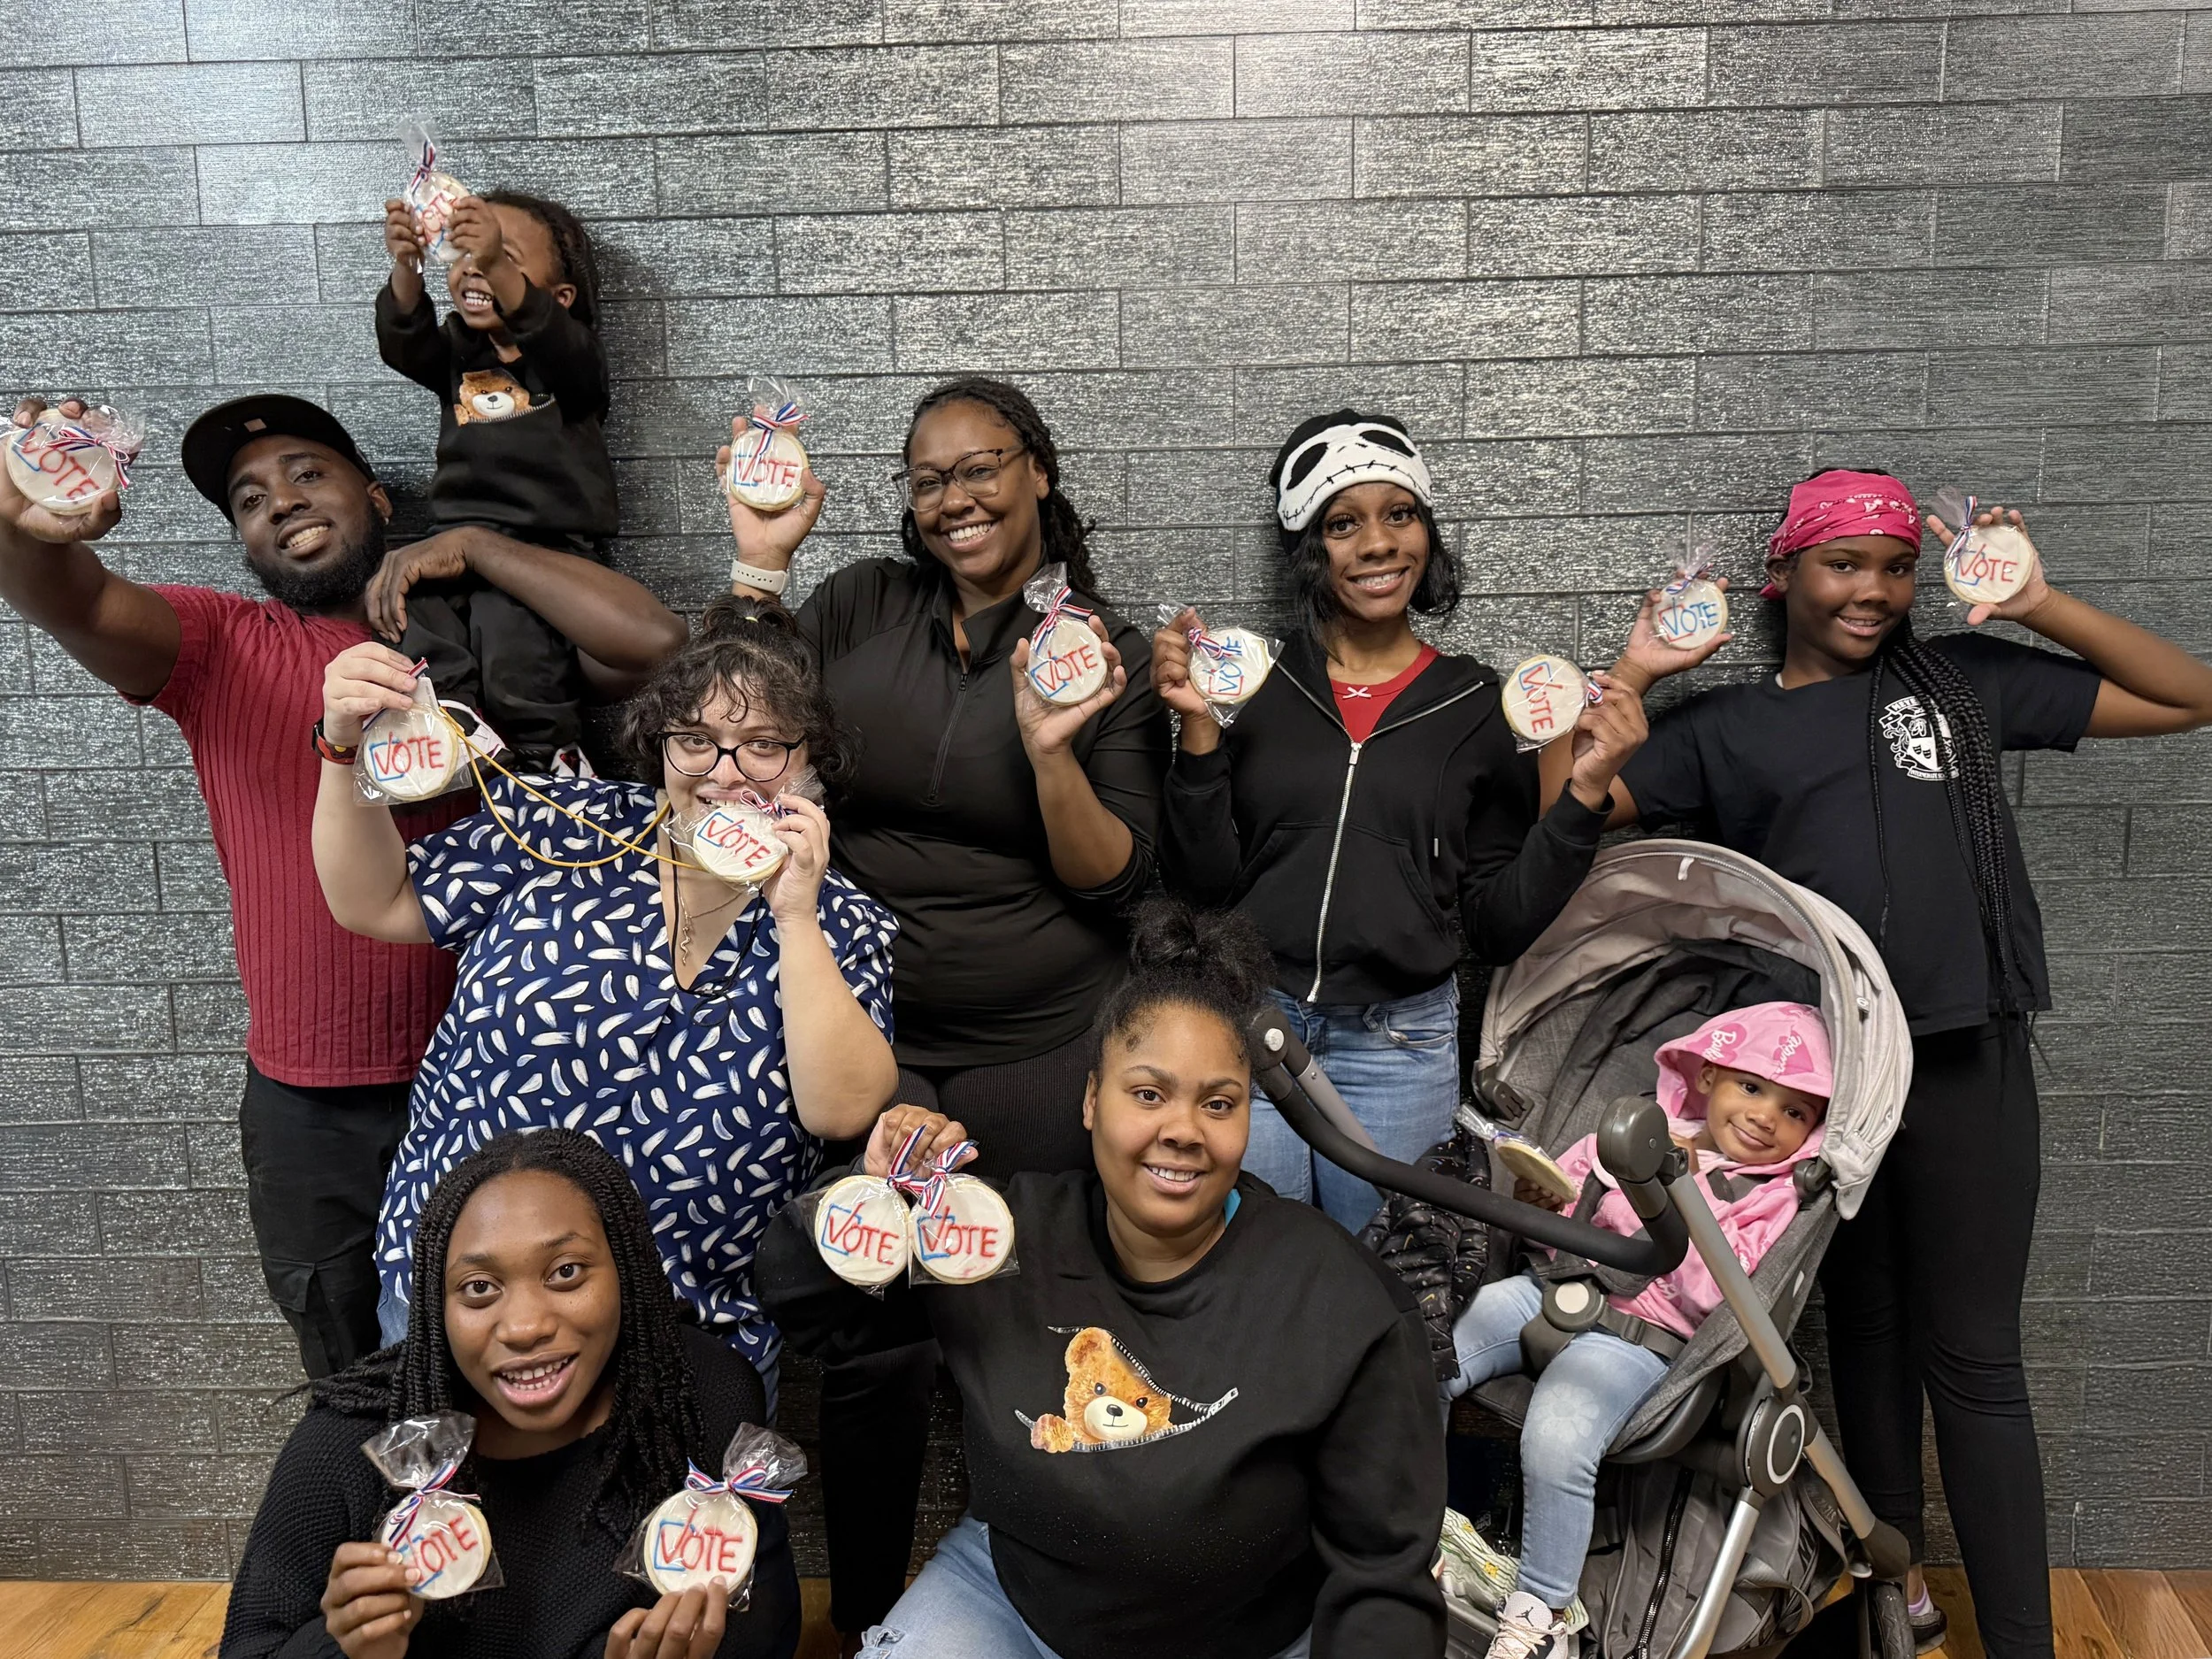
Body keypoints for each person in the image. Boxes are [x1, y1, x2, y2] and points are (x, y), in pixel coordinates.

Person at [1571, 472, 2212, 1659]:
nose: (1872, 587)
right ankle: (1890, 1598)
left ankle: (2022, 1637)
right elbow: (1565, 795)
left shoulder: (1960, 688)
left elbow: (2188, 695)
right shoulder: (1726, 728)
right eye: (1842, 562)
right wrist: (1640, 674)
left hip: (1969, 1060)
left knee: (1973, 1355)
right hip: (1821, 1089)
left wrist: (2038, 600)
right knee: (1860, 1335)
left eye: (1894, 564)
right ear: (1785, 578)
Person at [0, 392, 683, 1379]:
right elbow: (72, 596)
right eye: (248, 499)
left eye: (307, 473)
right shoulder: (218, 645)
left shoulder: (482, 629)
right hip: (309, 1108)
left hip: (497, 1079)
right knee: (352, 1376)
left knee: (524, 1366)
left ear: (373, 495)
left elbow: (656, 649)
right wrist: (22, 520)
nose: (279, 501)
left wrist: (481, 547)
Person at [725, 378, 1171, 1644]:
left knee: (1027, 1333)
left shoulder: (1098, 654)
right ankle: (871, 1618)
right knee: (872, 1346)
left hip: (1042, 1053)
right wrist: (760, 564)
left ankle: (1025, 1610)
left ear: (1038, 470)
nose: (956, 498)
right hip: (875, 1052)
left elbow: (1123, 880)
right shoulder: (865, 601)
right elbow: (729, 720)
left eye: (981, 469)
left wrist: (1047, 752)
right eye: (929, 478)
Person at [757, 898, 1448, 1659]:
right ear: (1091, 1100)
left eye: (1218, 1103)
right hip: (1015, 1599)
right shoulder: (994, 1237)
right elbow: (804, 1306)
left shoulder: (1337, 1298)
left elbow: (1385, 1574)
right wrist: (869, 1193)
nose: (1182, 1129)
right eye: (1148, 1093)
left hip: (1243, 1635)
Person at [311, 595, 899, 1398]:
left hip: (686, 1327)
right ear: (658, 747)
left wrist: (794, 911)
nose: (725, 772)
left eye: (763, 744)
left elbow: (842, 1110)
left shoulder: (839, 915)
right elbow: (371, 902)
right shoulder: (563, 827)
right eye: (696, 740)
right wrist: (340, 749)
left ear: (808, 762)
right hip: (469, 1295)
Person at [1154, 410, 1645, 1231]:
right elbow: (1202, 885)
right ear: (1311, 549)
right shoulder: (1255, 686)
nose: (1379, 543)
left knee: (1387, 1272)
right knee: (1255, 1260)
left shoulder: (1477, 705)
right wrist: (1198, 731)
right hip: (1252, 1020)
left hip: (1400, 1046)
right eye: (1344, 523)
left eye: (1401, 514)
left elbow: (1498, 922)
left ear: (1428, 531)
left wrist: (1585, 794)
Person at [221, 1128, 803, 1659]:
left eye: (567, 1271)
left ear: (626, 1274)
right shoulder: (352, 1441)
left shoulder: (699, 1396)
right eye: (479, 1287)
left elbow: (767, 1629)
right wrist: (348, 1648)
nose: (524, 1326)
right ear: (435, 1307)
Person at [1445, 1004, 1832, 1659]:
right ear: (1709, 1076)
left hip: (1642, 1342)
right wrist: (1545, 1205)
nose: (1767, 1116)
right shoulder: (1630, 1133)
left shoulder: (1770, 1197)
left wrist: (1679, 1192)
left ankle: (1542, 1614)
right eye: (1753, 1086)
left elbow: (1719, 1297)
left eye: (1796, 1111)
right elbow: (1560, 1224)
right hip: (1556, 1289)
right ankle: (1402, 1526)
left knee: (1557, 1428)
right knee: (1426, 1352)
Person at [377, 187, 617, 767]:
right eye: (463, 256)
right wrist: (406, 267)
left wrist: (494, 263)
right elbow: (403, 345)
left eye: (502, 257)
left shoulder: (570, 361)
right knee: (418, 612)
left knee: (513, 639)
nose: (475, 269)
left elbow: (558, 340)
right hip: (454, 543)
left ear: (558, 298)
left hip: (544, 548)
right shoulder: (459, 351)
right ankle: (453, 723)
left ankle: (547, 753)